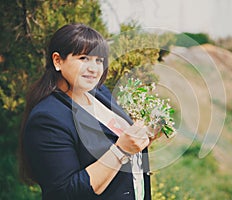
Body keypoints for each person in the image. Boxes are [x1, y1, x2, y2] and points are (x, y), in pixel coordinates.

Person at [19, 23, 154, 200]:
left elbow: (118, 141)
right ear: (58, 60)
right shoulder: (47, 118)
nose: (94, 68)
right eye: (84, 58)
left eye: (99, 60)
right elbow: (64, 192)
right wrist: (121, 151)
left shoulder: (100, 93)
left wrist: (140, 140)